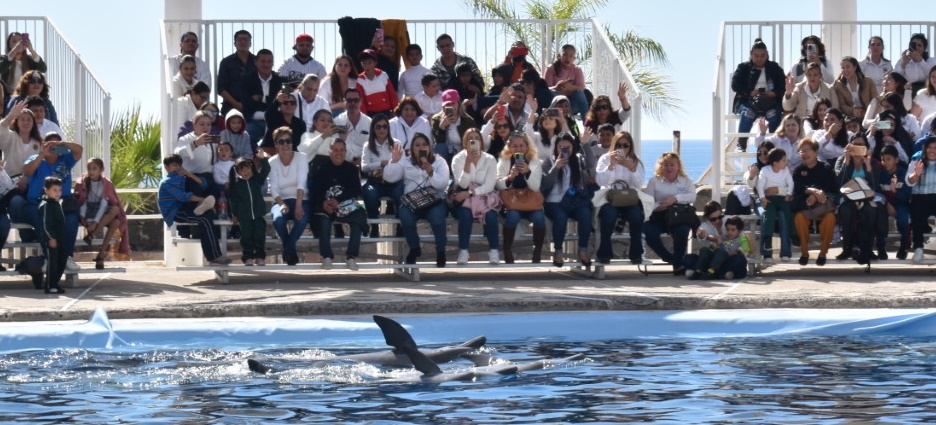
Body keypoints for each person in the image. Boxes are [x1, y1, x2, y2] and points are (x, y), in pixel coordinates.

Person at [383, 133, 450, 267]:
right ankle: (414, 248)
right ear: (412, 148)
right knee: (405, 215)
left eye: (424, 144)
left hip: (434, 200)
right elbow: (389, 177)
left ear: (430, 147)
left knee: (437, 218)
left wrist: (431, 172)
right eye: (417, 145)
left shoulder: (439, 161)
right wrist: (394, 161)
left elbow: (442, 184)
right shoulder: (406, 161)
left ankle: (441, 251)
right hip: (413, 200)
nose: (421, 147)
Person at [157, 154, 230, 266]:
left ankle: (203, 207)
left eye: (179, 165)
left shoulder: (182, 177)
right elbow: (183, 196)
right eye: (174, 165)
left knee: (209, 215)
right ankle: (214, 257)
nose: (177, 168)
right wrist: (204, 199)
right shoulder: (166, 182)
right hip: (176, 212)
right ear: (166, 167)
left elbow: (203, 184)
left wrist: (189, 174)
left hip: (186, 207)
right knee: (205, 220)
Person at [310, 139, 367, 270]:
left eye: (341, 150)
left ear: (345, 152)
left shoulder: (352, 169)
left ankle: (351, 257)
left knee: (358, 218)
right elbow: (316, 190)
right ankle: (327, 257)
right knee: (323, 221)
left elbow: (356, 190)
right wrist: (324, 202)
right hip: (326, 205)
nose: (339, 153)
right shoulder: (321, 168)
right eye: (335, 150)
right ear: (330, 152)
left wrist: (339, 200)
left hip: (346, 203)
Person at [541, 133, 594, 268]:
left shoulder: (578, 159)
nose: (564, 150)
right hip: (555, 202)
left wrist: (585, 144)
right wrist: (555, 168)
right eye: (561, 147)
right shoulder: (550, 161)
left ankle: (582, 250)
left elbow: (591, 165)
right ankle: (558, 251)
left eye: (568, 147)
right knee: (560, 217)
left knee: (586, 214)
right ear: (556, 148)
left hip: (576, 201)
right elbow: (544, 184)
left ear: (573, 147)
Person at [451, 129, 500, 265]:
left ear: (481, 142)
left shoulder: (490, 159)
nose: (473, 141)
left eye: (476, 138)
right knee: (465, 216)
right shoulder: (458, 159)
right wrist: (467, 163)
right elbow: (462, 183)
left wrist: (472, 193)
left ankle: (494, 251)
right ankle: (463, 251)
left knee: (490, 216)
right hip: (463, 197)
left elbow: (490, 185)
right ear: (465, 142)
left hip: (483, 196)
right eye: (470, 138)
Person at [595, 131, 645, 265]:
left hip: (628, 198)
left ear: (630, 147)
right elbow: (600, 181)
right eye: (618, 145)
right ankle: (604, 253)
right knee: (608, 215)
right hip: (609, 197)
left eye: (625, 145)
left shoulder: (635, 161)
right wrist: (611, 165)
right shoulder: (605, 159)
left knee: (636, 215)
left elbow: (638, 184)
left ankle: (636, 253)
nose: (621, 148)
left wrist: (630, 167)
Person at [643, 152, 696, 275]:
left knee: (682, 231)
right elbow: (648, 201)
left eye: (672, 165)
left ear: (678, 166)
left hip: (678, 215)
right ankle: (670, 258)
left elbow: (692, 196)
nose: (669, 168)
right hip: (658, 215)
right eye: (665, 165)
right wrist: (659, 206)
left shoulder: (686, 180)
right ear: (660, 166)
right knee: (648, 231)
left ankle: (677, 266)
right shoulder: (654, 181)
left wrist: (675, 199)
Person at [496, 131, 545, 264]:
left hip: (531, 201)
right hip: (512, 201)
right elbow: (499, 184)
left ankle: (538, 250)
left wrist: (527, 173)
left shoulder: (535, 162)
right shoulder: (504, 161)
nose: (518, 149)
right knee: (512, 216)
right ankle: (507, 249)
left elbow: (535, 187)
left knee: (539, 218)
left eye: (521, 145)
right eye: (515, 146)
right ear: (510, 147)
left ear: (527, 146)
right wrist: (510, 177)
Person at [731, 38, 786, 151]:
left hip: (770, 101)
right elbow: (735, 84)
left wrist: (774, 93)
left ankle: (773, 145)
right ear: (751, 54)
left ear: (767, 55)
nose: (759, 59)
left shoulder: (774, 68)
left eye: (762, 55)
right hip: (749, 101)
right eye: (756, 56)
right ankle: (741, 143)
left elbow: (782, 84)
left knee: (774, 116)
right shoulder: (743, 67)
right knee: (747, 114)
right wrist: (750, 92)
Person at [834, 133, 880, 265]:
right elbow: (839, 184)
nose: (858, 148)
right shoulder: (842, 160)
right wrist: (847, 162)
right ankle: (847, 248)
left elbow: (875, 186)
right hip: (848, 197)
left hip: (866, 197)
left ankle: (867, 249)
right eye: (855, 145)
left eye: (861, 145)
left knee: (870, 211)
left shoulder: (872, 162)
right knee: (846, 212)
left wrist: (869, 167)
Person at [76, 157, 130, 270]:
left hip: (101, 211)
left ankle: (98, 248)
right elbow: (82, 202)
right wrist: (86, 219)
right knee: (115, 221)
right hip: (87, 210)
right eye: (89, 168)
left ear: (101, 170)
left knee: (115, 214)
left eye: (94, 168)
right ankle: (100, 255)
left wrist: (96, 223)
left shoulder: (106, 184)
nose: (91, 171)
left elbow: (105, 204)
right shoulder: (82, 182)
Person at [792, 138, 838, 266]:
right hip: (806, 207)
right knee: (799, 218)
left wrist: (818, 194)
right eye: (801, 151)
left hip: (823, 206)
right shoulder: (798, 170)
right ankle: (804, 253)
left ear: (816, 152)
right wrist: (812, 192)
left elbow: (832, 188)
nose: (803, 153)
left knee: (830, 218)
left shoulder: (826, 168)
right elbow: (798, 189)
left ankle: (823, 253)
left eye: (806, 150)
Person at [268, 127, 310, 266]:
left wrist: (298, 205)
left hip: (301, 199)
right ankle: (290, 249)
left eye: (288, 141)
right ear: (276, 145)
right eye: (281, 141)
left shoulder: (302, 157)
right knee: (278, 220)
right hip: (281, 200)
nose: (285, 144)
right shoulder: (272, 161)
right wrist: (281, 204)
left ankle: (287, 249)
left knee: (302, 219)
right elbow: (273, 187)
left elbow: (301, 183)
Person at [361, 114, 403, 237]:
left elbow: (402, 165)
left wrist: (386, 169)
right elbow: (364, 166)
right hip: (376, 181)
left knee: (401, 193)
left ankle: (400, 226)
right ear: (373, 128)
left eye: (385, 127)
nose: (382, 130)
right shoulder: (368, 145)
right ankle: (374, 225)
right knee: (368, 192)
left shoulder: (396, 143)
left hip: (394, 182)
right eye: (378, 127)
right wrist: (381, 163)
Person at [229, 154, 270, 266]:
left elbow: (266, 169)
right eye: (242, 170)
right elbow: (234, 202)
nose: (246, 171)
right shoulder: (236, 186)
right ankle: (248, 257)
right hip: (244, 217)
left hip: (258, 215)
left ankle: (260, 256)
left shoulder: (257, 180)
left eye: (247, 168)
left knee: (259, 236)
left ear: (251, 168)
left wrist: (264, 158)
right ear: (238, 172)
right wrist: (235, 215)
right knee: (246, 237)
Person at [688, 212, 751, 280]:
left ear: (739, 231)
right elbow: (714, 246)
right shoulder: (724, 237)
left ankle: (711, 272)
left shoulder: (742, 239)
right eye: (728, 230)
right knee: (701, 252)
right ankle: (698, 271)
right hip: (716, 260)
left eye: (733, 230)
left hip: (728, 261)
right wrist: (713, 248)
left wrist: (728, 253)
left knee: (739, 260)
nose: (730, 232)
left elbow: (744, 252)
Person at [757, 148, 794, 261]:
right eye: (783, 160)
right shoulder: (765, 170)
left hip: (782, 198)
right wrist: (762, 198)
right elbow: (760, 185)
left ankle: (793, 235)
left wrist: (788, 194)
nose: (785, 162)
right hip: (769, 199)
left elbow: (790, 183)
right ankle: (768, 242)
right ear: (775, 163)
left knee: (789, 212)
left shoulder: (785, 170)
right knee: (769, 215)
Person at [242, 49, 283, 143]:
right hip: (255, 121)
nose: (266, 64)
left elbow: (283, 101)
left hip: (277, 121)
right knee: (247, 136)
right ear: (256, 62)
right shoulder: (246, 80)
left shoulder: (280, 80)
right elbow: (247, 103)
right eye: (263, 61)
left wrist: (262, 98)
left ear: (273, 63)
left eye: (269, 61)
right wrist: (273, 102)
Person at [906, 136, 936, 262]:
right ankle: (918, 248)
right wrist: (916, 175)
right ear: (925, 148)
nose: (932, 150)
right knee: (917, 215)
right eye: (929, 147)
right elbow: (909, 181)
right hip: (920, 196)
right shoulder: (916, 159)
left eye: (935, 148)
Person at [174, 111, 216, 196]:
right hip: (191, 178)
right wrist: (195, 144)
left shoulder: (213, 140)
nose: (206, 127)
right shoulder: (186, 139)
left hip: (209, 178)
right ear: (194, 124)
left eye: (208, 124)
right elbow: (177, 156)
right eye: (202, 124)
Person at [879, 144, 910, 259]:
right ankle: (881, 248)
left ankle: (904, 247)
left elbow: (906, 196)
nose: (885, 162)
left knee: (903, 220)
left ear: (896, 160)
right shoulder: (881, 175)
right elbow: (878, 193)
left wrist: (895, 191)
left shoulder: (903, 174)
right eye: (883, 160)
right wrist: (887, 204)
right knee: (879, 220)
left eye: (888, 159)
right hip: (884, 204)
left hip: (900, 203)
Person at [216, 30, 256, 115]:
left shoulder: (257, 61)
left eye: (246, 39)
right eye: (240, 39)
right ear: (235, 43)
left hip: (254, 108)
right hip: (230, 108)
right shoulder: (226, 62)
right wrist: (236, 104)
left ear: (250, 43)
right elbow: (221, 88)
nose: (243, 42)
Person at [38, 176, 66, 295]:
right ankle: (50, 285)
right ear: (46, 190)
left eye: (59, 190)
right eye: (54, 190)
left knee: (61, 261)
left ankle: (55, 283)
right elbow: (45, 224)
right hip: (51, 239)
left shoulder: (56, 203)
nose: (58, 193)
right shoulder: (45, 205)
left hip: (60, 238)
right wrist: (51, 237)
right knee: (52, 262)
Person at [430, 89, 476, 162]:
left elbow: (473, 141)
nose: (451, 106)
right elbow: (438, 142)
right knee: (440, 147)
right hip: (446, 152)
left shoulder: (468, 121)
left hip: (463, 151)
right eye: (448, 104)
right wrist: (441, 128)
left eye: (453, 103)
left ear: (458, 103)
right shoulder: (436, 120)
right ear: (443, 106)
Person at [544, 44, 588, 117]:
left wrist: (570, 87)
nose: (567, 58)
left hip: (571, 105)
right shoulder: (551, 68)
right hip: (554, 103)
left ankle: (587, 124)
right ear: (559, 55)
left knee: (580, 93)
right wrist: (556, 87)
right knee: (552, 93)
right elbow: (545, 89)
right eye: (565, 55)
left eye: (571, 56)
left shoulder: (577, 70)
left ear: (574, 58)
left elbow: (582, 87)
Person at [259, 89, 306, 155]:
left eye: (292, 103)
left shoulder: (300, 124)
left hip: (290, 154)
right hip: (269, 152)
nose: (289, 105)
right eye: (285, 102)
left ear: (296, 106)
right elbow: (268, 114)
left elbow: (298, 145)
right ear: (280, 106)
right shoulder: (274, 117)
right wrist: (277, 101)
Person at [1, 32, 46, 97]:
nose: (18, 44)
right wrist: (14, 52)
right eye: (14, 41)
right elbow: (1, 69)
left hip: (27, 96)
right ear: (9, 45)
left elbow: (43, 69)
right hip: (8, 96)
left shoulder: (30, 59)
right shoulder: (4, 59)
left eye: (20, 41)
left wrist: (31, 50)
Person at [334, 88, 372, 164]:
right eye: (349, 100)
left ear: (361, 101)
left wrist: (361, 161)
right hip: (343, 161)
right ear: (344, 102)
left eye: (356, 100)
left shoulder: (369, 122)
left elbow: (373, 146)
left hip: (365, 162)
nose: (353, 103)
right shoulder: (337, 121)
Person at [356, 49, 398, 117]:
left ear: (375, 63)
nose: (367, 65)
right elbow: (361, 101)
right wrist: (364, 116)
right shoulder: (360, 80)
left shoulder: (383, 75)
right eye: (364, 63)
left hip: (386, 112)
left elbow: (392, 94)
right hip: (370, 114)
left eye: (369, 62)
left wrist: (395, 110)